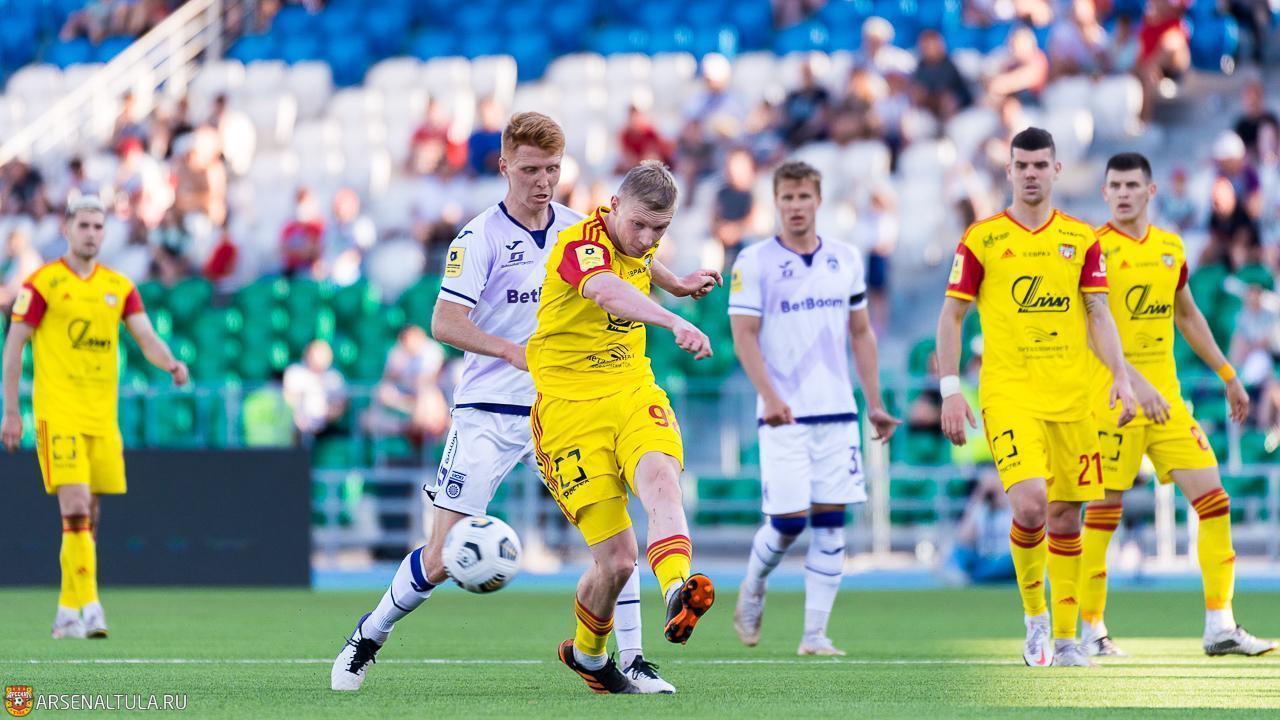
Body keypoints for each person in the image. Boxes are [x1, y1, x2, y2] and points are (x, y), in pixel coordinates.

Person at [330, 115, 719, 695]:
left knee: (618, 540)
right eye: (531, 169)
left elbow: (634, 253)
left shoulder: (578, 226)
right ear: (504, 166)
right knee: (441, 556)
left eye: (552, 169)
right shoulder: (479, 238)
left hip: (568, 404)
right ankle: (369, 635)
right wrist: (511, 351)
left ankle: (635, 659)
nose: (543, 181)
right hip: (490, 407)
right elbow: (444, 322)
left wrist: (677, 282)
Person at [936, 127, 1137, 668]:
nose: (1030, 173)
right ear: (1009, 171)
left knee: (1068, 517)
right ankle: (1035, 621)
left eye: (1040, 165)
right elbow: (951, 316)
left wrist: (1120, 376)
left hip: (1073, 398)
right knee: (1030, 504)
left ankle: (1067, 641)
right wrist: (951, 388)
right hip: (1009, 394)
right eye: (1021, 165)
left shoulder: (1081, 238)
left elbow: (1098, 312)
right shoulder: (982, 238)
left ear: (1056, 170)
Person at [526, 160, 720, 693]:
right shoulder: (579, 244)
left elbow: (643, 262)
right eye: (639, 225)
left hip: (633, 390)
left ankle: (677, 588)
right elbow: (607, 290)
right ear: (613, 207)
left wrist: (677, 285)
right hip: (569, 412)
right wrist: (674, 319)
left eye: (661, 228)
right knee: (615, 561)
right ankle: (588, 657)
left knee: (661, 479)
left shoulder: (641, 238)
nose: (649, 238)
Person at [1077, 151, 1276, 658]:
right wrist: (1135, 384)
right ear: (1104, 193)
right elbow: (1093, 330)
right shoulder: (1093, 249)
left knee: (1215, 500)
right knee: (1103, 512)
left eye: (1132, 185)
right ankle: (1092, 631)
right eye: (1115, 186)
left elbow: (1187, 317)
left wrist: (1228, 374)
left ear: (1151, 192)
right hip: (1114, 402)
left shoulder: (1170, 248)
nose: (1123, 193)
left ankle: (1220, 625)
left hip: (1167, 403)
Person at [728, 160, 901, 656]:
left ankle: (814, 635)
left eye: (804, 197)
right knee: (787, 522)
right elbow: (744, 337)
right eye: (787, 198)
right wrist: (770, 396)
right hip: (782, 413)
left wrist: (874, 402)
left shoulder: (845, 259)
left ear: (818, 201)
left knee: (830, 522)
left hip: (837, 412)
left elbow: (861, 333)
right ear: (776, 203)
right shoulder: (754, 261)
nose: (796, 206)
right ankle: (754, 585)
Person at [1, 195, 189, 640]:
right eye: (83, 225)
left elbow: (146, 337)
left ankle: (67, 610)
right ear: (66, 229)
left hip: (102, 418)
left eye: (98, 226)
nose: (90, 234)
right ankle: (91, 607)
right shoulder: (43, 283)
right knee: (76, 506)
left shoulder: (118, 287)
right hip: (58, 414)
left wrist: (171, 363)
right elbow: (14, 345)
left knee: (90, 517)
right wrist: (11, 411)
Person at [282, 340, 347, 441]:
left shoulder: (334, 377)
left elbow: (341, 404)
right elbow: (288, 399)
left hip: (327, 428)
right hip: (297, 427)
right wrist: (299, 420)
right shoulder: (295, 372)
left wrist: (329, 415)